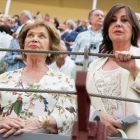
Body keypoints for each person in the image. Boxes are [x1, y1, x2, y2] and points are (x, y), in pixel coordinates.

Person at [0, 20, 77, 138]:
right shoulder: (4, 78)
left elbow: (69, 116)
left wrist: (41, 121)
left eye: (42, 36)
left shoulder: (65, 81)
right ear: (23, 44)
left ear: (51, 48)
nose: (34, 39)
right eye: (30, 35)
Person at [86, 5, 140, 139]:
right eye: (112, 20)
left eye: (124, 20)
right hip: (96, 134)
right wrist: (98, 115)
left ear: (133, 29)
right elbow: (80, 100)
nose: (118, 24)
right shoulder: (94, 65)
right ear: (107, 30)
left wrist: (134, 70)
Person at [70, 9, 104, 80]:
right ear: (89, 19)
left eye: (102, 16)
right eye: (97, 15)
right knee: (75, 90)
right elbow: (73, 56)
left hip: (99, 70)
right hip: (80, 68)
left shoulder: (107, 37)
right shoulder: (81, 35)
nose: (100, 17)